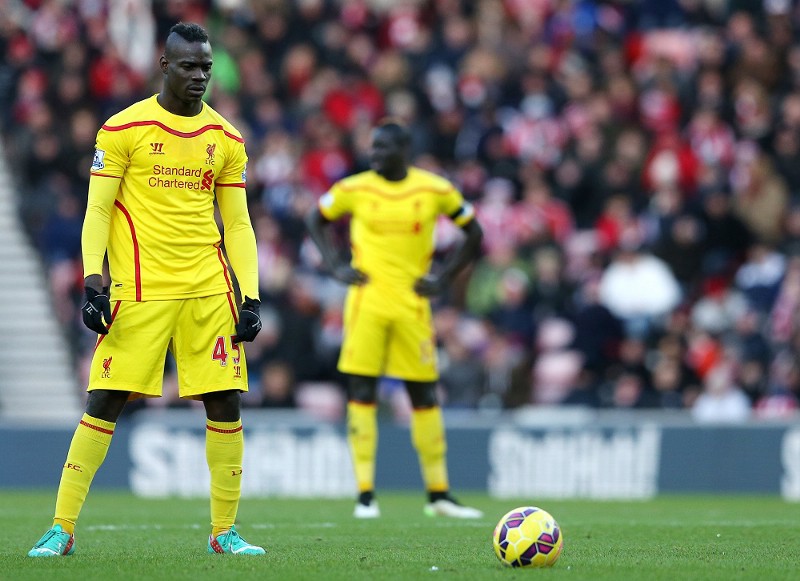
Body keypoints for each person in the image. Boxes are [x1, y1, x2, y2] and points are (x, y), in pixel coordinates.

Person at [28, 23, 265, 557]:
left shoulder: (226, 140)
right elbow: (97, 210)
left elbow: (240, 225)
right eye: (189, 66)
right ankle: (61, 528)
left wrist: (249, 295)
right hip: (140, 289)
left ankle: (224, 532)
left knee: (224, 403)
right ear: (164, 65)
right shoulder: (123, 129)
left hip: (208, 289)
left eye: (206, 66)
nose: (200, 75)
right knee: (104, 401)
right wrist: (93, 281)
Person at [305, 119, 484, 519]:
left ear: (404, 151)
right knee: (362, 391)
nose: (375, 155)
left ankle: (439, 493)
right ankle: (365, 494)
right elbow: (314, 218)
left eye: (383, 149)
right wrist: (334, 264)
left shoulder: (433, 188)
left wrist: (444, 277)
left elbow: (474, 231)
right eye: (373, 148)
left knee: (423, 394)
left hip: (412, 306)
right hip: (366, 303)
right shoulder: (354, 188)